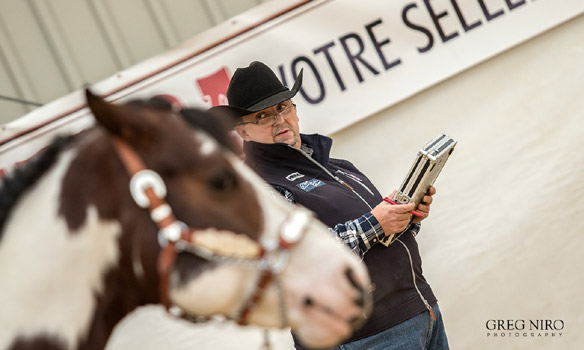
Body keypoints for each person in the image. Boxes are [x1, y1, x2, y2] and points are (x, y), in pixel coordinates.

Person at [211, 61, 449, 350]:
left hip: (417, 312)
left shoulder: (337, 166)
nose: (279, 120)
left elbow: (377, 240)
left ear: (295, 110)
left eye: (283, 107)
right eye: (263, 116)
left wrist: (406, 217)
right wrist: (375, 223)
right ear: (243, 133)